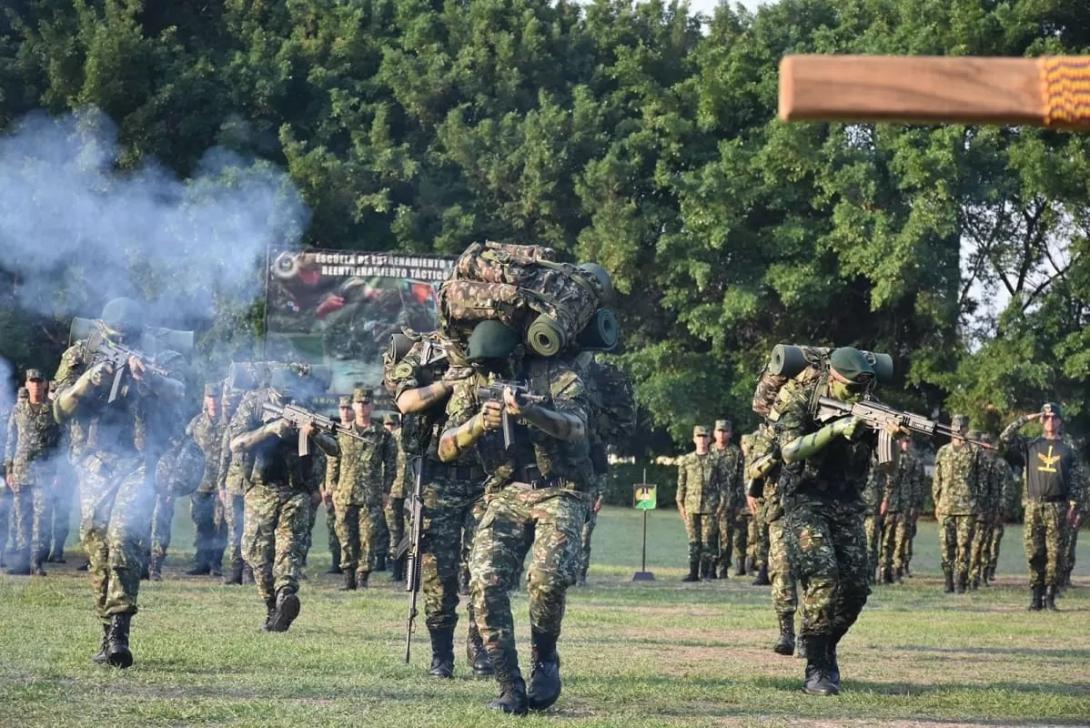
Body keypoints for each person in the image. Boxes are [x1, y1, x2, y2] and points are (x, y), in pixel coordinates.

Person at [438, 320, 591, 715]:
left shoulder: (558, 375)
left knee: (547, 578)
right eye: (484, 366)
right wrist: (477, 424)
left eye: (496, 364)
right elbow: (445, 447)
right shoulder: (472, 383)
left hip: (560, 489)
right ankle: (509, 683)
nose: (490, 373)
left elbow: (575, 427)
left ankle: (546, 657)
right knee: (484, 580)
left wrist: (531, 411)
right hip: (507, 492)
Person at [53, 297, 187, 668]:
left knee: (125, 536)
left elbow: (181, 392)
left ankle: (120, 630)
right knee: (95, 543)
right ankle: (106, 626)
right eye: (115, 335)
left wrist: (150, 377)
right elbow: (58, 409)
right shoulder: (80, 355)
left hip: (139, 462)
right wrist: (86, 382)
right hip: (95, 463)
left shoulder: (158, 355)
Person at [770, 346, 891, 695]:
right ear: (832, 378)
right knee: (823, 578)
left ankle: (822, 643)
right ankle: (818, 668)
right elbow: (789, 450)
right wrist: (837, 430)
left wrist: (888, 435)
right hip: (805, 500)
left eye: (862, 390)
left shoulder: (870, 407)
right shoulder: (801, 398)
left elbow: (888, 465)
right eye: (850, 389)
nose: (857, 395)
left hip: (848, 503)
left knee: (855, 588)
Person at [391, 332, 490, 678]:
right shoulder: (423, 351)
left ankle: (481, 648)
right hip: (435, 479)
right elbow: (405, 402)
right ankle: (441, 655)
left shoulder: (493, 345)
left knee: (485, 568)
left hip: (484, 478)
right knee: (438, 574)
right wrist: (448, 384)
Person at [229, 368, 336, 631]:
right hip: (260, 488)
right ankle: (272, 607)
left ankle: (286, 594)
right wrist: (271, 429)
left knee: (290, 548)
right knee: (256, 554)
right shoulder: (253, 403)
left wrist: (315, 434)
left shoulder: (304, 406)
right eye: (282, 395)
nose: (287, 399)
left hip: (295, 490)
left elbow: (335, 448)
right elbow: (236, 444)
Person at [999, 402, 1085, 610]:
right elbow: (1005, 438)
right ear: (1041, 420)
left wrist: (1075, 507)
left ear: (1060, 421)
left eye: (1054, 417)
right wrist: (1027, 418)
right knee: (1034, 553)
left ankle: (1050, 597)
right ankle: (1035, 596)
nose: (1050, 421)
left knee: (1055, 554)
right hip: (1034, 506)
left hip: (1058, 506)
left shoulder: (1068, 449)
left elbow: (1078, 480)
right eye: (1046, 417)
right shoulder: (1031, 445)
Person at [324, 388, 395, 590]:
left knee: (368, 538)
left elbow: (391, 465)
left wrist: (386, 491)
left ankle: (363, 577)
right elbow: (333, 460)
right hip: (345, 492)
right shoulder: (343, 433)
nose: (362, 407)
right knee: (345, 536)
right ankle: (348, 577)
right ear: (353, 405)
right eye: (359, 403)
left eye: (366, 403)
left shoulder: (382, 434)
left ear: (372, 406)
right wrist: (331, 488)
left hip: (371, 495)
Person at [744, 424, 801, 657]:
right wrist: (775, 455)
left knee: (814, 573)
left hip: (812, 506)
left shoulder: (818, 426)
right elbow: (755, 469)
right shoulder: (769, 433)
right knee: (782, 569)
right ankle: (786, 631)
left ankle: (811, 632)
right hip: (779, 511)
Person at [4, 370, 60, 576]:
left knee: (42, 517)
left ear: (45, 384)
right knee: (21, 517)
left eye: (39, 381)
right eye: (32, 381)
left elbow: (60, 443)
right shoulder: (17, 410)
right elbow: (11, 441)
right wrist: (8, 470)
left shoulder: (53, 410)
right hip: (21, 471)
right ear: (26, 384)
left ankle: (36, 562)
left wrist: (58, 472)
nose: (36, 385)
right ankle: (22, 562)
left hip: (45, 472)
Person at [932, 415, 980, 594]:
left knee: (964, 545)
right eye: (955, 427)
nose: (958, 430)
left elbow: (980, 480)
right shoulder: (943, 451)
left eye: (962, 427)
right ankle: (947, 580)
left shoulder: (974, 451)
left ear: (966, 429)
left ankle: (961, 581)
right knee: (946, 545)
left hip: (968, 507)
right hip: (946, 506)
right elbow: (937, 479)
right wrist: (936, 502)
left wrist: (980, 504)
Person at [185, 384, 226, 576]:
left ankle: (216, 563)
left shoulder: (229, 422)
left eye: (216, 397)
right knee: (201, 523)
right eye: (210, 397)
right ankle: (201, 562)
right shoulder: (196, 423)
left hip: (221, 483)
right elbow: (185, 449)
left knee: (220, 524)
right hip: (200, 483)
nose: (214, 401)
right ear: (205, 399)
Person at [676, 425, 721, 582]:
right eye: (699, 436)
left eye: (705, 436)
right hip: (691, 506)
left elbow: (723, 485)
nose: (702, 439)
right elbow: (681, 484)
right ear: (694, 439)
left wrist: (721, 505)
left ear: (709, 439)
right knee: (693, 541)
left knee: (708, 541)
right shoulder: (687, 460)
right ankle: (693, 572)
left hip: (710, 506)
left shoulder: (716, 460)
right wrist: (680, 505)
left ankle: (707, 572)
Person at [217, 384, 249, 585]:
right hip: (233, 485)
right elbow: (225, 456)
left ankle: (250, 570)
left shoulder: (257, 426)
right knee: (234, 529)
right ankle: (235, 569)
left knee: (253, 530)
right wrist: (221, 485)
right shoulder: (232, 428)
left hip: (253, 485)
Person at [878, 438, 923, 584]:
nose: (904, 444)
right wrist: (884, 501)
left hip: (904, 504)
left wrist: (915, 505)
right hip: (890, 504)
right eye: (902, 441)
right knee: (887, 540)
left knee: (901, 538)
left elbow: (916, 483)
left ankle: (897, 571)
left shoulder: (912, 461)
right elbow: (885, 482)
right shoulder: (887, 458)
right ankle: (884, 571)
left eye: (907, 441)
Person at [711, 419, 743, 579]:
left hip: (728, 502)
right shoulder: (709, 451)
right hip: (710, 502)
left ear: (730, 433)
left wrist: (739, 502)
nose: (721, 434)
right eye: (719, 431)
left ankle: (723, 568)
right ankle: (710, 567)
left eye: (724, 431)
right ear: (714, 433)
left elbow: (740, 479)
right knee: (710, 535)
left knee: (726, 537)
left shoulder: (736, 453)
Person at [382, 412, 408, 582]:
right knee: (394, 531)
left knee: (411, 532)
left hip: (413, 491)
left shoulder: (422, 436)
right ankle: (396, 569)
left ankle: (408, 570)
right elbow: (387, 463)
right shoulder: (393, 438)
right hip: (394, 490)